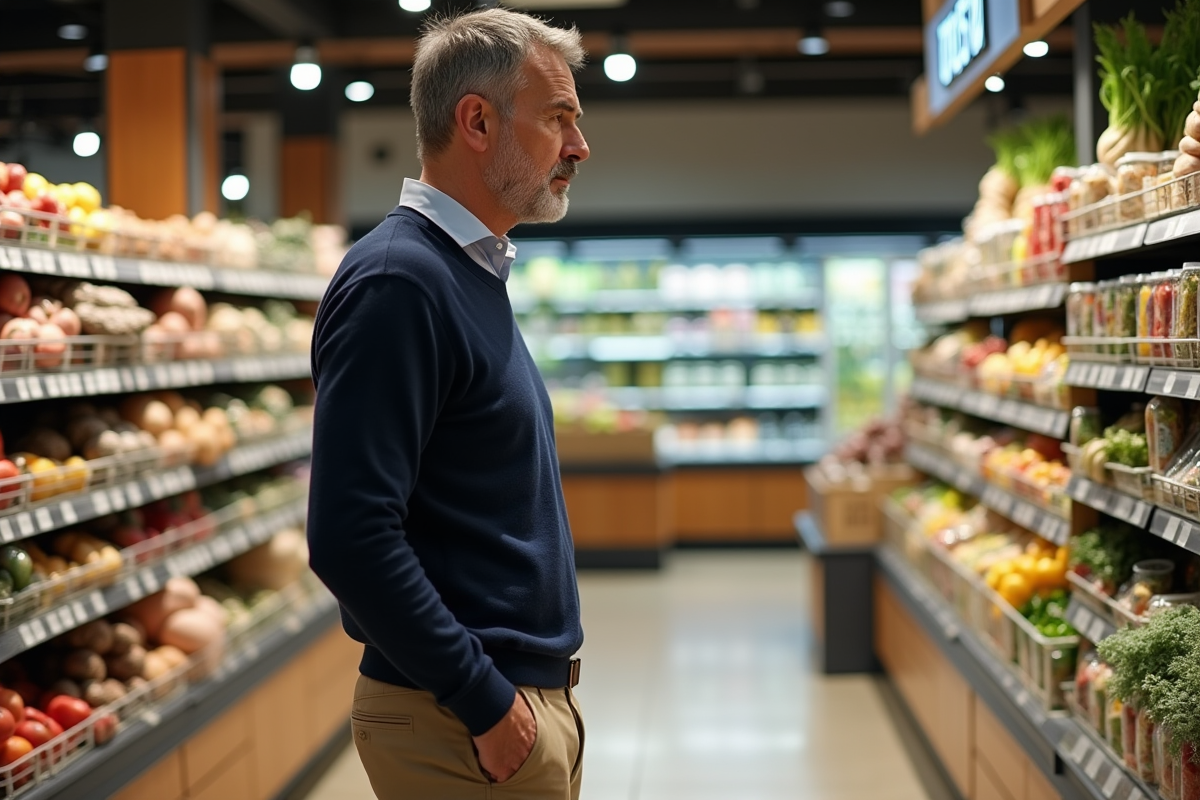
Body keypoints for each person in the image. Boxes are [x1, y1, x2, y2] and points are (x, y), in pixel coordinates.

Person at [306, 7, 590, 799]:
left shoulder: (467, 273)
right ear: (476, 120)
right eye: (558, 118)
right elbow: (350, 534)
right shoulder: (401, 281)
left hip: (501, 709)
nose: (579, 146)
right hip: (461, 721)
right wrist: (487, 704)